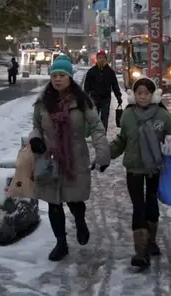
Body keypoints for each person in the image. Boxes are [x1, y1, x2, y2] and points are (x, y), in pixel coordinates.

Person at [29, 55, 111, 261]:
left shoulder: (82, 102)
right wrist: (36, 139)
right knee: (53, 204)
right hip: (49, 159)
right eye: (54, 75)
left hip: (75, 158)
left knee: (74, 201)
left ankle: (80, 222)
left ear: (70, 77)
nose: (57, 79)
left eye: (62, 75)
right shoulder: (42, 103)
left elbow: (96, 128)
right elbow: (36, 127)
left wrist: (103, 154)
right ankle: (61, 243)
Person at [109, 77, 171, 269]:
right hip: (133, 168)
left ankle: (151, 240)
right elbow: (121, 140)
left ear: (153, 95)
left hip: (155, 169)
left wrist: (170, 146)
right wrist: (105, 156)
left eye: (146, 93)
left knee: (151, 204)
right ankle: (141, 252)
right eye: (139, 93)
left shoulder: (163, 116)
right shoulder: (128, 115)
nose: (143, 97)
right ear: (133, 95)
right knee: (138, 206)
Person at [83, 50, 123, 132]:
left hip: (106, 98)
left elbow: (115, 85)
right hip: (94, 97)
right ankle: (95, 133)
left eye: (103, 58)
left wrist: (118, 96)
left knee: (104, 117)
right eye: (100, 58)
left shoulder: (110, 72)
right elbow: (87, 85)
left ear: (106, 59)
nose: (102, 59)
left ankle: (103, 133)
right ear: (97, 59)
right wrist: (85, 96)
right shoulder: (92, 71)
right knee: (94, 117)